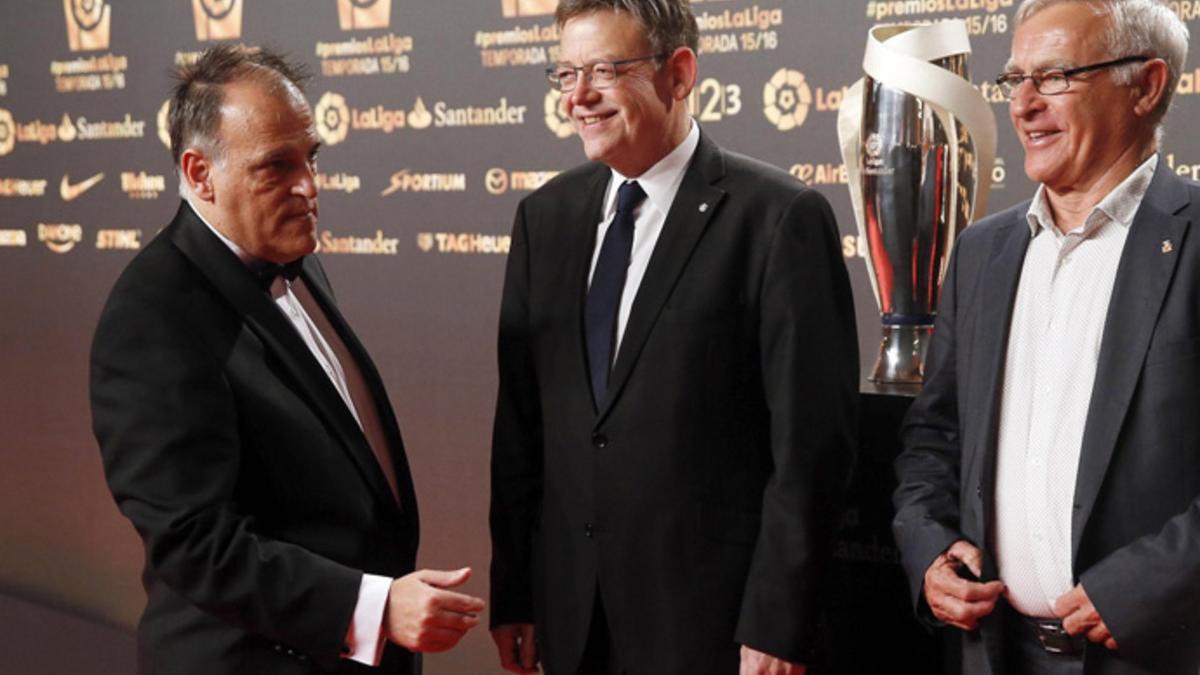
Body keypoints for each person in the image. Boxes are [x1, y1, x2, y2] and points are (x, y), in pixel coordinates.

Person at [487, 2, 859, 673]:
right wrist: (515, 590)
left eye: (604, 70)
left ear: (679, 74)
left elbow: (810, 451)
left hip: (715, 632)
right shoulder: (544, 218)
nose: (578, 97)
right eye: (565, 73)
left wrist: (778, 621)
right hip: (574, 623)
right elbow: (521, 432)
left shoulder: (777, 220)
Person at [90, 46, 484, 674]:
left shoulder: (295, 260)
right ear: (199, 174)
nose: (308, 186)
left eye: (311, 158)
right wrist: (374, 607)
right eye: (276, 166)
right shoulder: (153, 313)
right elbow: (193, 543)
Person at [892, 1, 1200, 672]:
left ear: (1147, 86)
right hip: (994, 652)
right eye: (1015, 80)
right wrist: (930, 546)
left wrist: (1149, 586)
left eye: (1055, 76)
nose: (1024, 104)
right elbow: (934, 434)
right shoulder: (982, 252)